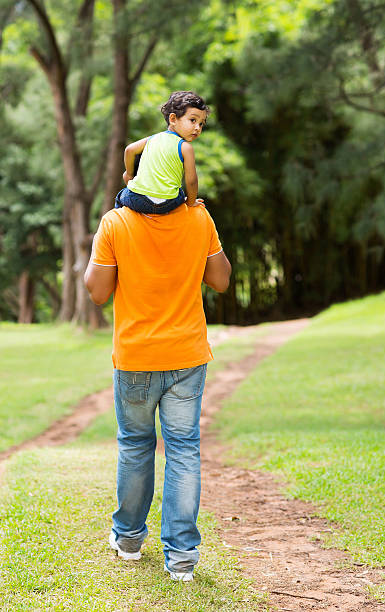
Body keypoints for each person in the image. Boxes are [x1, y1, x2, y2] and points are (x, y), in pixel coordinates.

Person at [84, 186, 231, 582]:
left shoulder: (115, 223)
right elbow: (221, 280)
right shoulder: (199, 217)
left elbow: (97, 293)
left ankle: (129, 540)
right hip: (187, 357)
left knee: (135, 445)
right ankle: (182, 558)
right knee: (183, 451)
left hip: (136, 359)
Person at [115, 91, 209, 214]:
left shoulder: (152, 139)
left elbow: (129, 150)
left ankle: (122, 222)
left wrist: (129, 174)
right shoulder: (185, 147)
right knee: (179, 191)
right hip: (168, 203)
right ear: (173, 119)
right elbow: (191, 181)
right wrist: (190, 202)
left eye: (201, 123)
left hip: (138, 200)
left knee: (120, 197)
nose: (197, 127)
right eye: (193, 120)